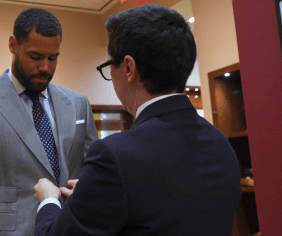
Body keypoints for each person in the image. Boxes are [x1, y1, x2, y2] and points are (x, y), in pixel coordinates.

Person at [34, 4, 242, 236]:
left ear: (129, 68)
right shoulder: (222, 145)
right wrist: (96, 197)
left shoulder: (114, 156)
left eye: (109, 65)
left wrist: (49, 201)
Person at [0, 8, 98, 236]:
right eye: (35, 57)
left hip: (69, 228)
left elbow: (91, 172)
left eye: (53, 58)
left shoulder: (78, 103)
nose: (45, 67)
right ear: (13, 45)